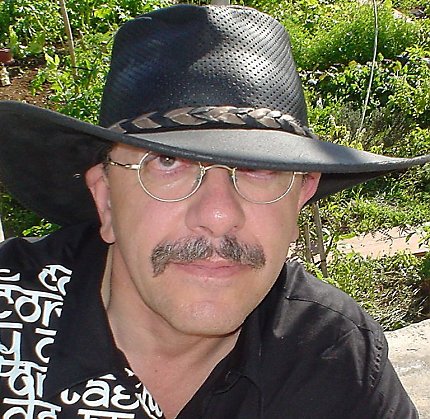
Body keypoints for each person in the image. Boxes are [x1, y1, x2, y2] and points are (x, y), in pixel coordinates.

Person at [0, 4, 428, 419]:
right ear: (107, 198)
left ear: (300, 198)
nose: (219, 214)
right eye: (168, 163)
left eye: (259, 169)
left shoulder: (331, 357)